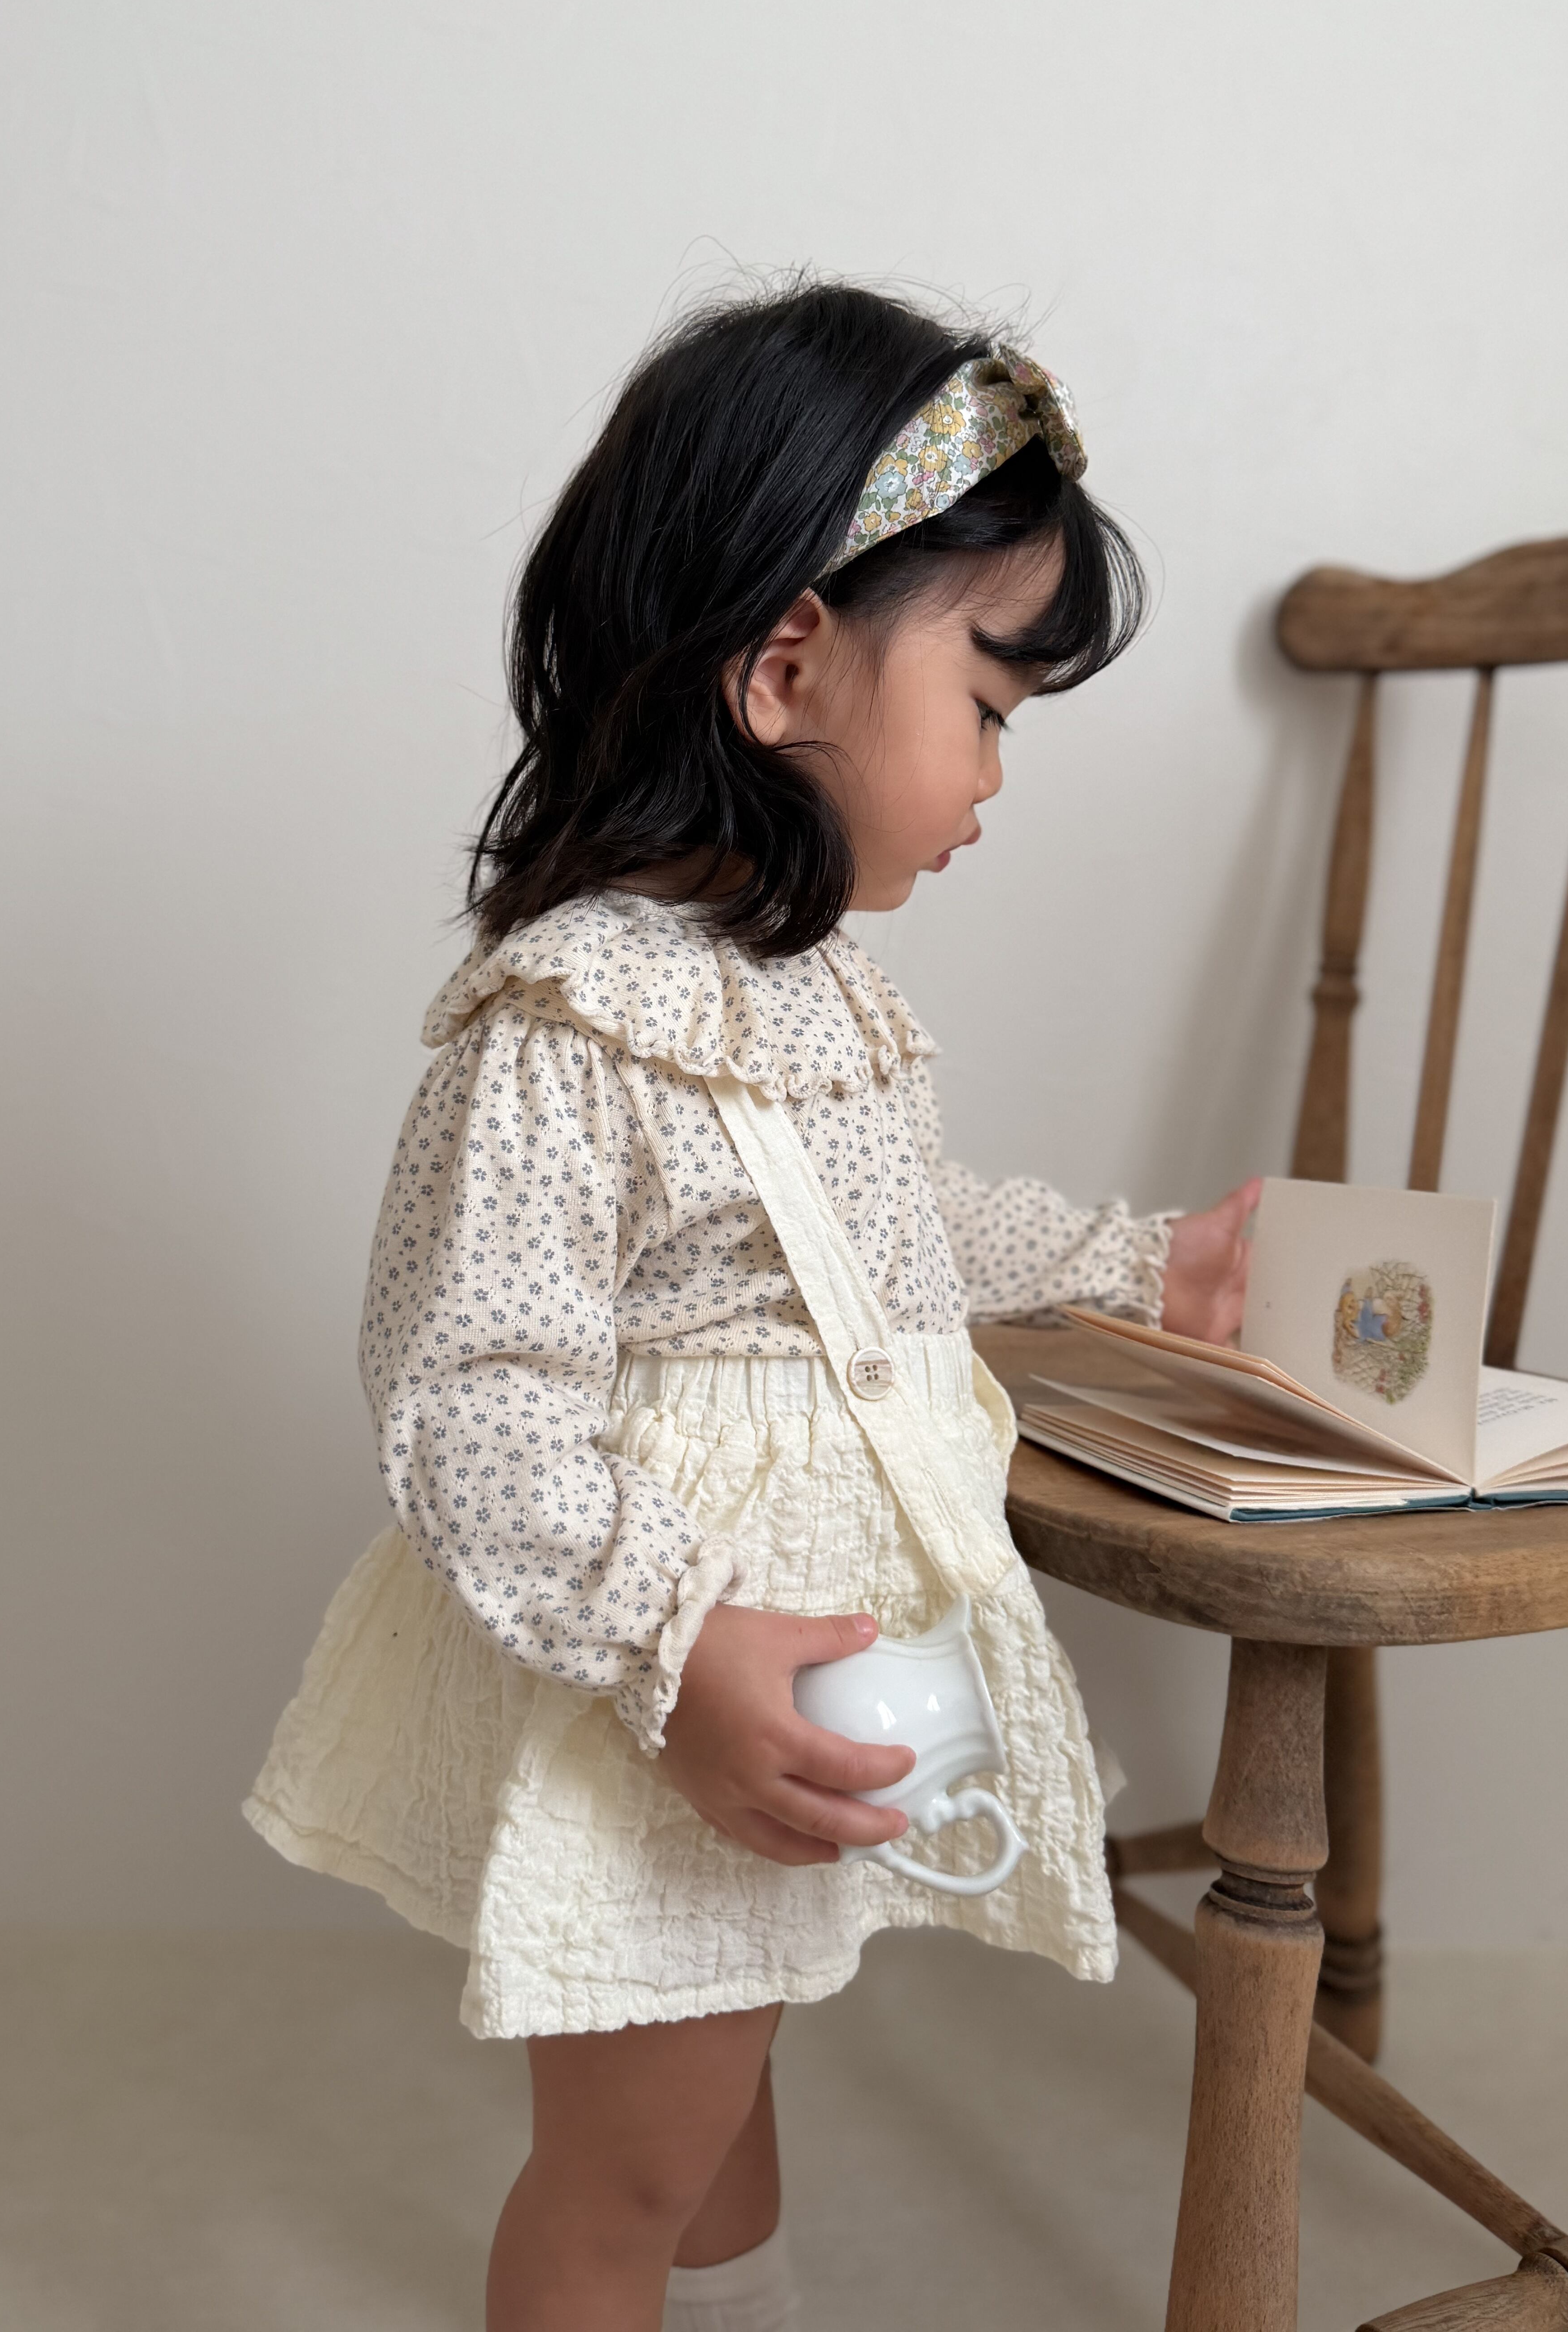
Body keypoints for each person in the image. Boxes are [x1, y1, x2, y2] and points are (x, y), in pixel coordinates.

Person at [244, 282, 1258, 2332]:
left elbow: (885, 1233)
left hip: (817, 1641)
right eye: (990, 703)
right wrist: (673, 1642)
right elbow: (470, 1392)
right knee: (627, 2162)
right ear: (789, 668)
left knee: (733, 2061)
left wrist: (1139, 1264)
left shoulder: (806, 987)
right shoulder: (571, 1019)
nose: (998, 773)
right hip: (689, 1657)